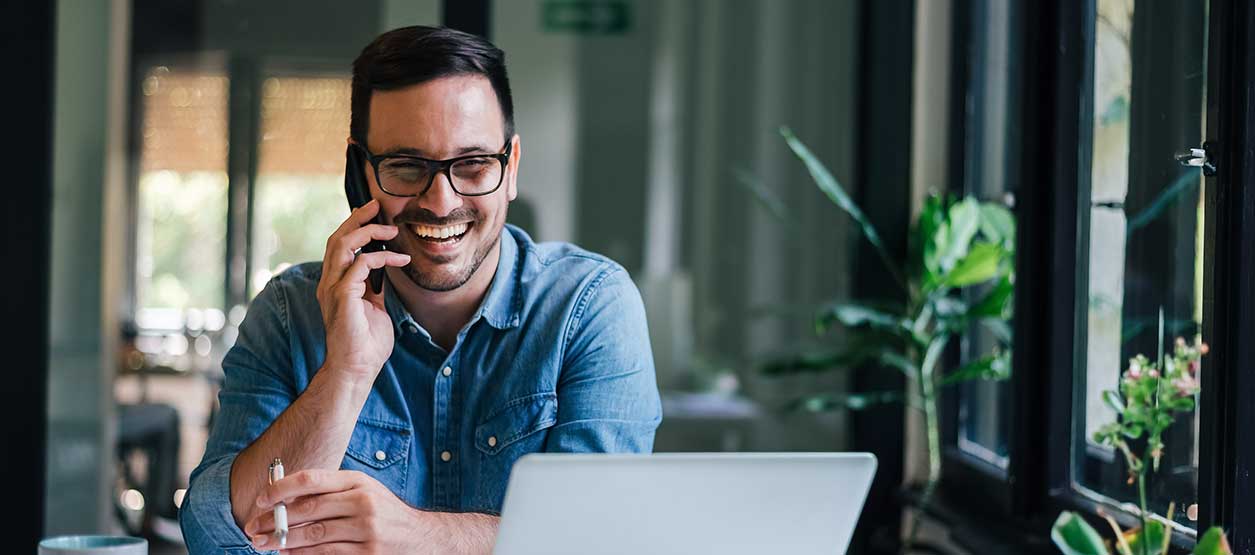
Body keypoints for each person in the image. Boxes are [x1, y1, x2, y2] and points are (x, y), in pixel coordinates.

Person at [179, 25, 662, 554]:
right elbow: (215, 537)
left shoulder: (590, 306)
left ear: (511, 166)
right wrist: (346, 374)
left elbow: (603, 538)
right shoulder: (289, 312)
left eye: (474, 165)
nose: (439, 200)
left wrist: (415, 537)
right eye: (407, 166)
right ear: (361, 175)